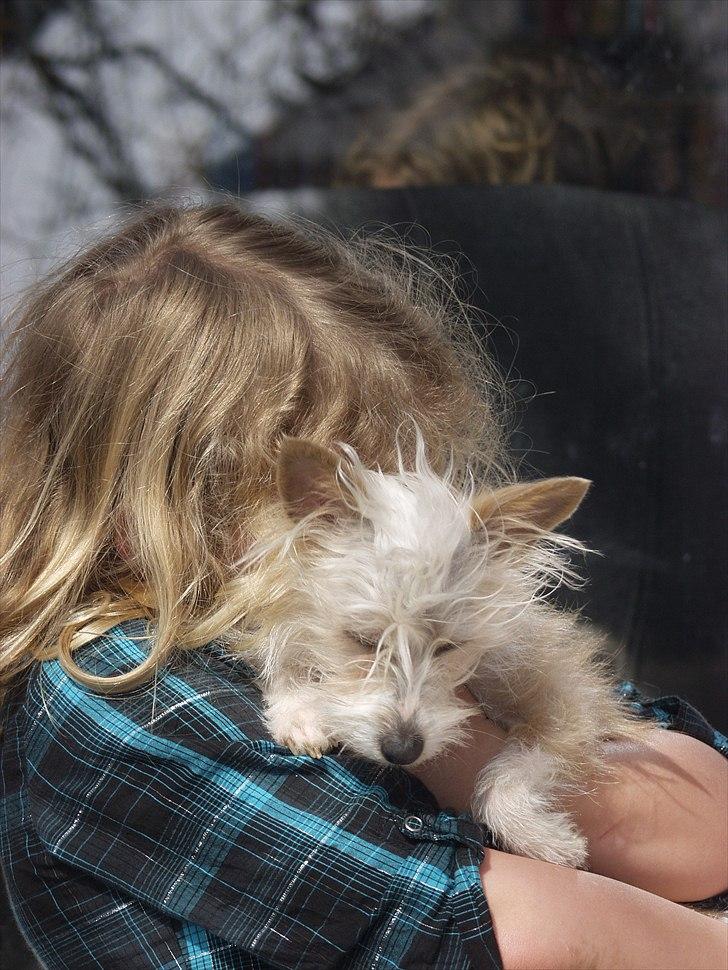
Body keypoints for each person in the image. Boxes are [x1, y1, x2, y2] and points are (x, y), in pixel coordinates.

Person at [1, 201, 725, 970]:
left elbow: (706, 819)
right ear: (150, 500)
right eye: (316, 500)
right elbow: (504, 935)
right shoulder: (122, 695)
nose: (384, 516)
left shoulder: (427, 617)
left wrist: (470, 741)